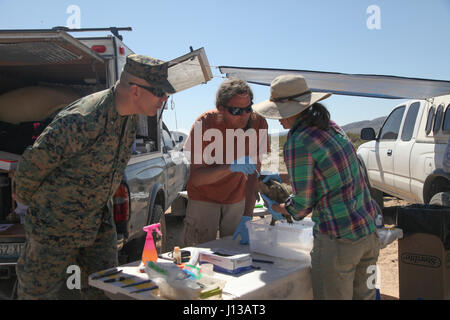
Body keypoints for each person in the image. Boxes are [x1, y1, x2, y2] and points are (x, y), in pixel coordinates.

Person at [13, 54, 174, 300]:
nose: (165, 98)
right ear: (135, 90)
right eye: (160, 92)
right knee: (37, 293)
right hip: (55, 226)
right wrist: (41, 208)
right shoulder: (84, 119)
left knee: (104, 287)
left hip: (96, 222)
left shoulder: (129, 119)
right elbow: (32, 166)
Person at [253, 74, 380, 300]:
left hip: (338, 240)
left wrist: (281, 208)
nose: (278, 119)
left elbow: (302, 206)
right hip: (367, 233)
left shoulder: (298, 140)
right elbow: (329, 176)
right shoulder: (331, 127)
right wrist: (282, 178)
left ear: (291, 108)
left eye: (279, 112)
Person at [182, 78, 269, 247]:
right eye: (236, 110)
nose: (244, 115)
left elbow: (254, 175)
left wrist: (248, 216)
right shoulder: (205, 123)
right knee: (198, 253)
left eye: (248, 108)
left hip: (237, 199)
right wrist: (230, 168)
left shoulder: (259, 123)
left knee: (237, 253)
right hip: (203, 198)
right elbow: (197, 179)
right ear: (221, 109)